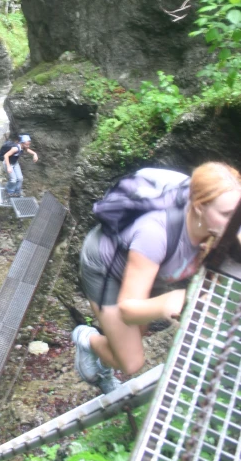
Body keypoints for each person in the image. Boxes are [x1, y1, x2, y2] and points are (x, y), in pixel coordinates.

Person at [72, 162, 241, 394]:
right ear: (199, 207)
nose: (235, 224)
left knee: (134, 335)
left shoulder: (222, 228)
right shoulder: (155, 233)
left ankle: (104, 356)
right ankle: (86, 339)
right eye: (226, 215)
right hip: (105, 269)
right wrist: (170, 302)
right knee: (130, 362)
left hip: (146, 270)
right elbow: (129, 310)